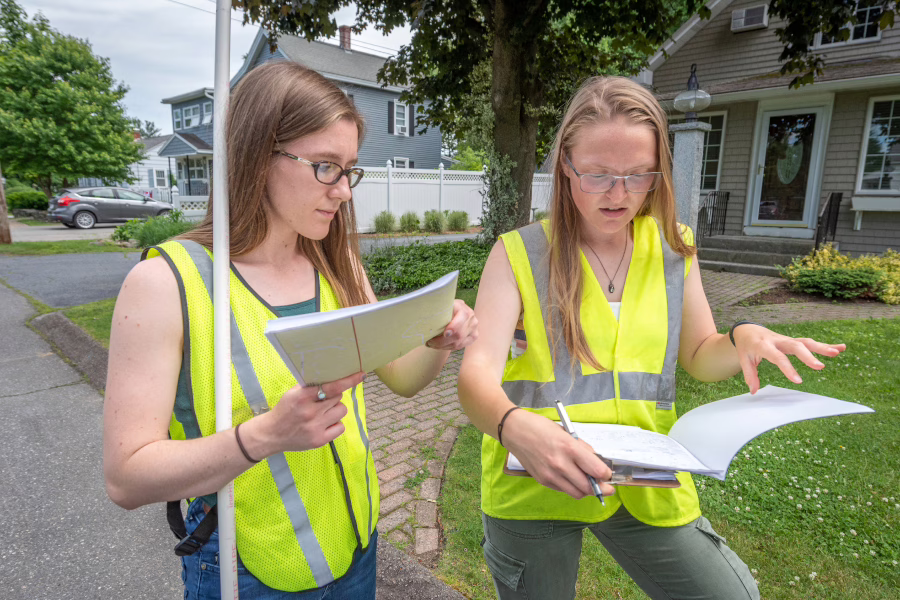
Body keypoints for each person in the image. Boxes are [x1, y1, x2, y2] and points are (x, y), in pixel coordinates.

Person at [457, 76, 845, 600]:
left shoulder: (673, 247)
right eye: (597, 176)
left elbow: (701, 354)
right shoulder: (518, 253)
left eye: (639, 176)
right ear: (564, 168)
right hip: (533, 482)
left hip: (645, 478)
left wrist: (742, 337)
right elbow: (475, 377)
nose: (619, 195)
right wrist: (515, 428)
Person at [103, 61, 477, 599]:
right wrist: (266, 437)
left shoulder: (337, 260)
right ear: (256, 156)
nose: (344, 191)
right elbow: (126, 476)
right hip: (248, 568)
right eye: (326, 166)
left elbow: (402, 378)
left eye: (349, 169)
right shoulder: (165, 284)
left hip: (357, 546)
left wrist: (437, 341)